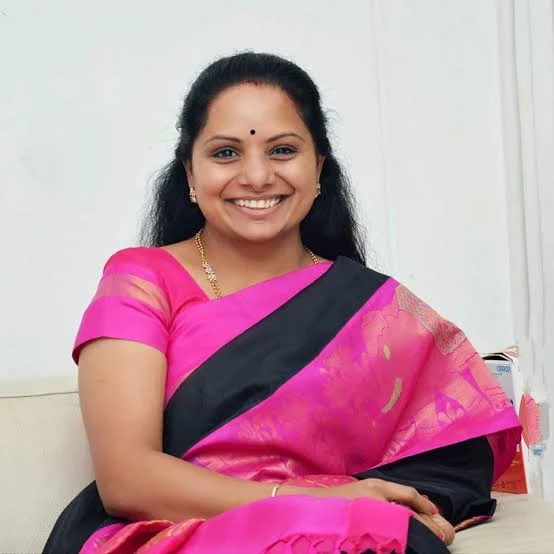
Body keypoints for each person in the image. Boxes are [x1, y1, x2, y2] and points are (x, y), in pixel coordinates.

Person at [44, 52, 520, 554]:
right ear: (190, 173)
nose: (256, 176)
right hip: (172, 531)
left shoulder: (369, 308)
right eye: (226, 153)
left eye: (283, 150)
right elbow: (126, 480)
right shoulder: (142, 280)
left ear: (318, 168)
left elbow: (450, 453)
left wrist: (362, 508)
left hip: (327, 532)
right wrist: (309, 503)